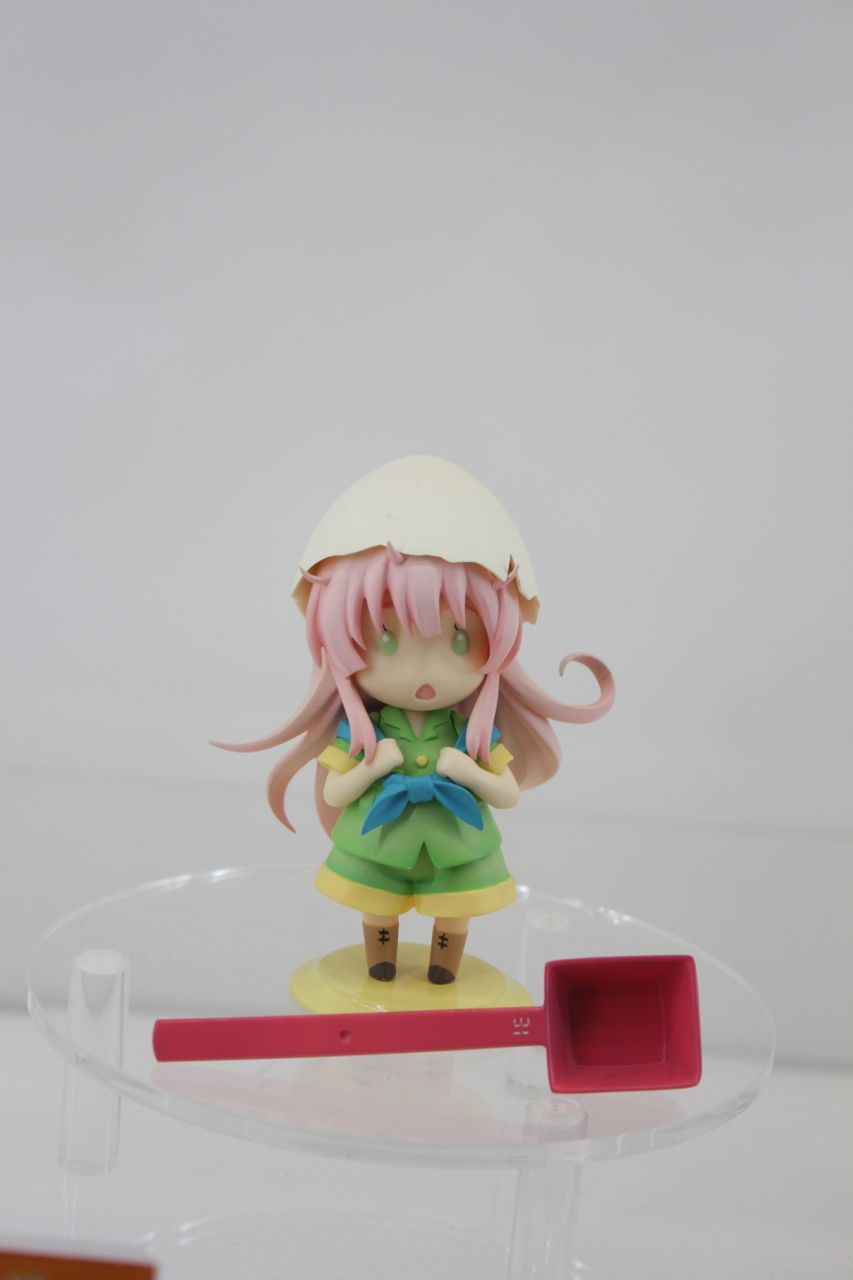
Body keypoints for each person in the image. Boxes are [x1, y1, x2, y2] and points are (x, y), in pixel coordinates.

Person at [216, 455, 614, 984]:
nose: (425, 671)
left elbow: (507, 792)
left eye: (459, 640)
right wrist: (373, 766)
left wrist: (470, 773)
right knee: (377, 908)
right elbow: (336, 791)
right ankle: (380, 965)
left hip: (458, 846)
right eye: (386, 640)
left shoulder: (472, 734)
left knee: (454, 913)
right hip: (378, 843)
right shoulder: (364, 731)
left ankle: (443, 971)